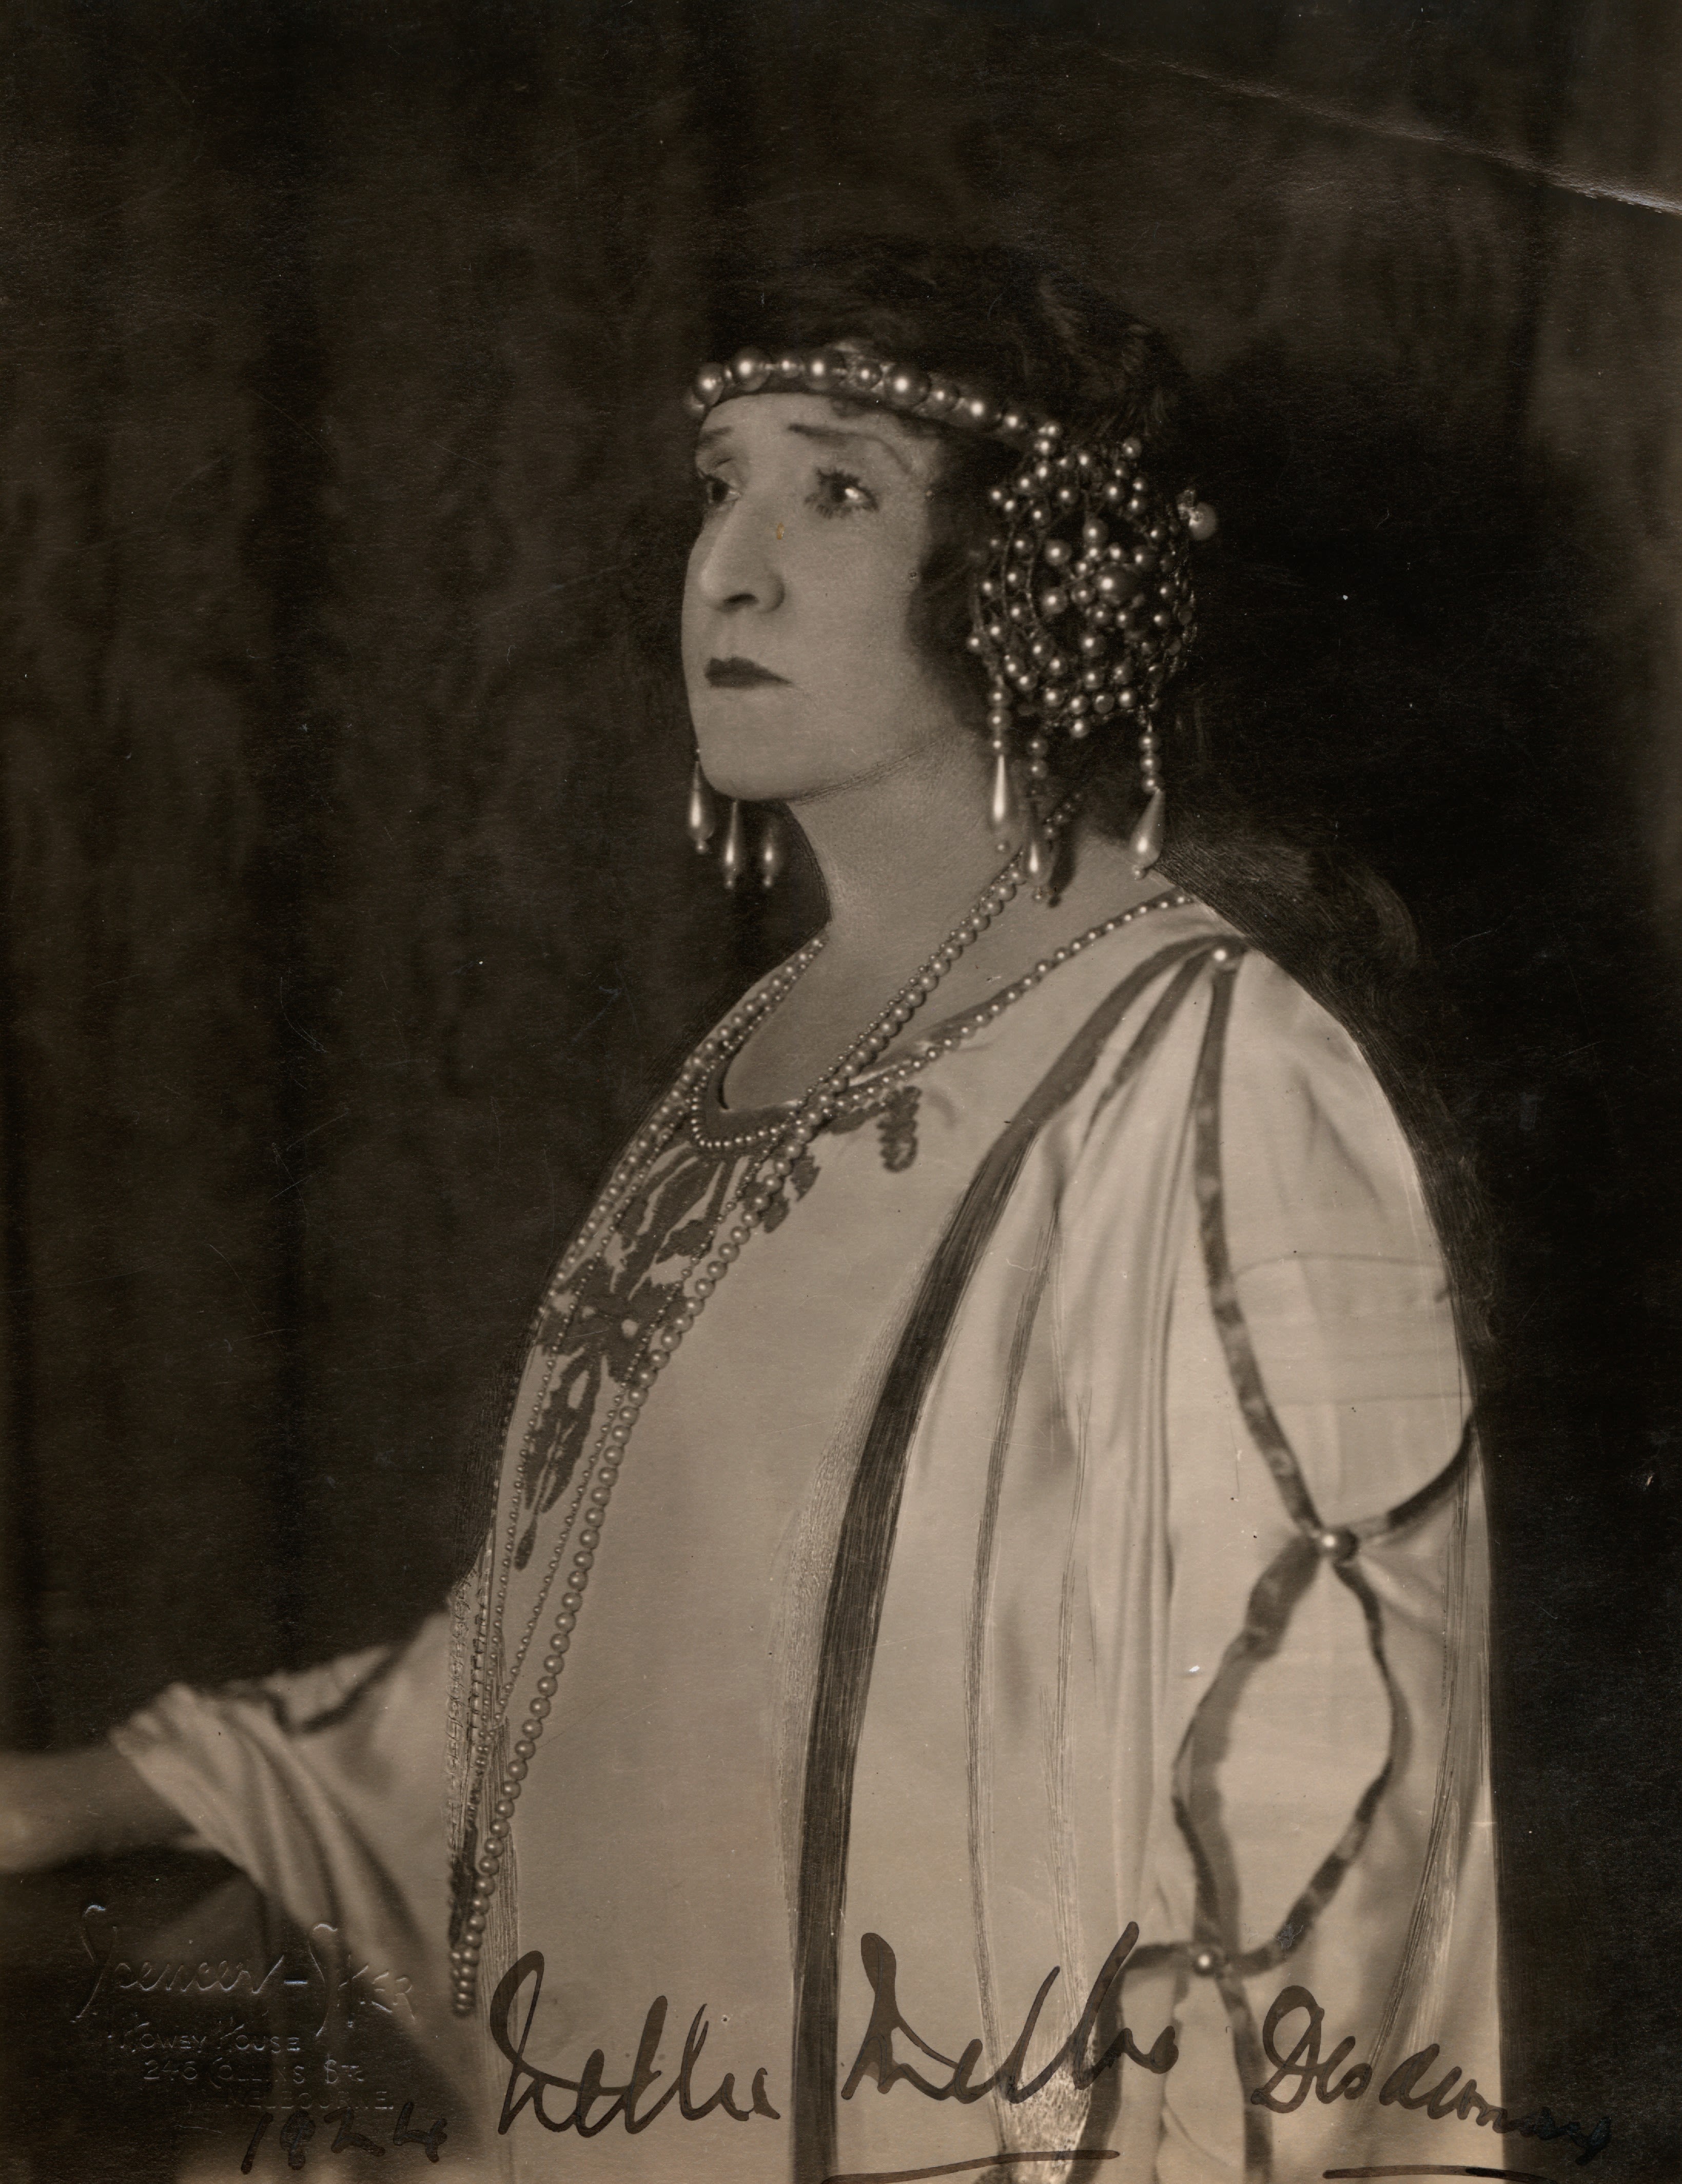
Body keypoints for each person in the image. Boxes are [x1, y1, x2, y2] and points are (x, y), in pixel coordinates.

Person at [1, 239, 1500, 2184]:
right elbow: (572, 1650)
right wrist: (116, 1788)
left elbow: (1328, 1796)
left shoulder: (1209, 1066)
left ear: (1041, 574)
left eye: (840, 489)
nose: (733, 562)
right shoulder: (769, 1037)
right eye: (721, 484)